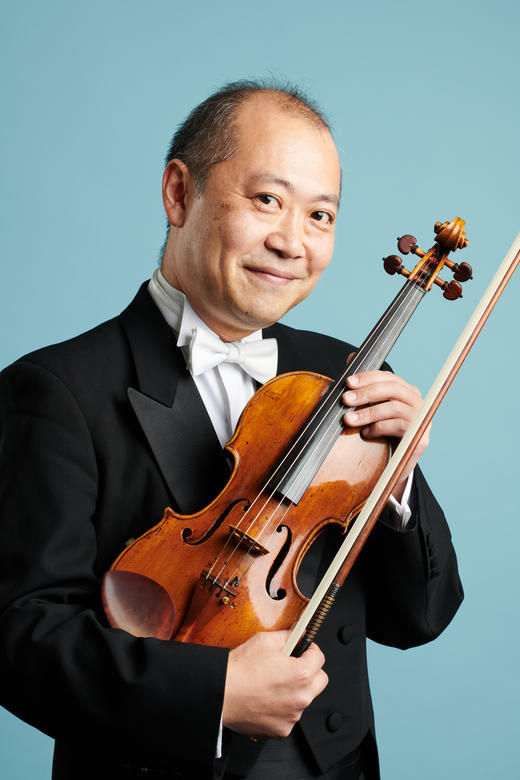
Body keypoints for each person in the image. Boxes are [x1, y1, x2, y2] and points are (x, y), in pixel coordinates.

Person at [0, 81, 463, 780]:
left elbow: (420, 618)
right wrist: (213, 694)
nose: (291, 242)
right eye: (267, 200)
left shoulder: (347, 377)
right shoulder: (57, 388)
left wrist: (396, 488)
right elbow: (22, 634)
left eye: (320, 215)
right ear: (178, 194)